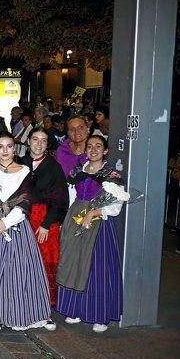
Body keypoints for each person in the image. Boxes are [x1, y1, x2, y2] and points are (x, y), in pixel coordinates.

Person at [0, 133, 51, 332]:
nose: (5, 151)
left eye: (9, 146)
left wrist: (5, 223)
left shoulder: (25, 171)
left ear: (15, 148)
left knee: (15, 272)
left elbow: (25, 202)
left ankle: (14, 313)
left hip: (15, 227)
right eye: (0, 146)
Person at [56, 136, 123, 333]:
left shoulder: (112, 175)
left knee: (96, 267)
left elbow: (116, 205)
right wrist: (66, 220)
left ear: (105, 151)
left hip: (98, 222)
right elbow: (71, 196)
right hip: (76, 215)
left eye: (98, 146)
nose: (93, 150)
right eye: (90, 146)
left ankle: (99, 315)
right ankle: (75, 309)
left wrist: (94, 212)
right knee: (73, 262)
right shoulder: (78, 170)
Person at [20, 128, 68, 320]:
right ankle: (23, 300)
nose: (39, 144)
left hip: (45, 220)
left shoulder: (53, 167)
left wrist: (47, 224)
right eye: (35, 139)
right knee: (21, 261)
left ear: (48, 144)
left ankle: (44, 306)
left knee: (44, 262)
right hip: (21, 217)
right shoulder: (20, 163)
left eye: (43, 140)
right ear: (28, 141)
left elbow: (59, 199)